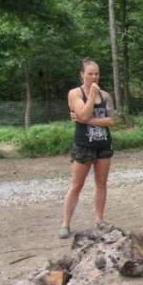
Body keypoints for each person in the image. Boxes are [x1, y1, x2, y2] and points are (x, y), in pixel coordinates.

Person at [59, 58, 115, 239]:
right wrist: (91, 95)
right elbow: (81, 112)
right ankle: (65, 224)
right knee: (76, 186)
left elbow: (110, 120)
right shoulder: (75, 93)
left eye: (96, 73)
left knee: (101, 184)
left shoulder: (105, 96)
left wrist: (88, 120)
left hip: (103, 145)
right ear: (82, 74)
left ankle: (99, 220)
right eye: (90, 73)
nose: (94, 77)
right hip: (83, 145)